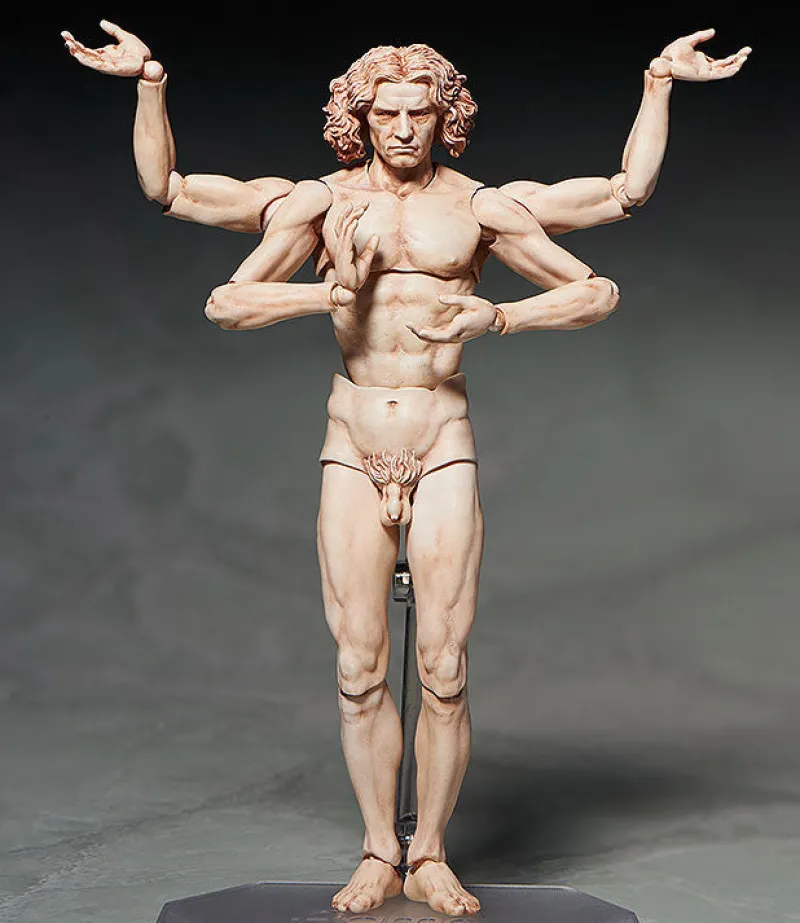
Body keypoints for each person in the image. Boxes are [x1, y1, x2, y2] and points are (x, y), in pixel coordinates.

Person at [62, 22, 750, 917]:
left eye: (418, 113)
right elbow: (185, 219)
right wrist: (151, 82)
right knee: (358, 664)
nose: (400, 129)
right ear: (358, 117)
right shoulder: (318, 204)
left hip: (441, 434)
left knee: (444, 664)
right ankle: (378, 848)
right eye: (385, 112)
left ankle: (429, 853)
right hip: (353, 437)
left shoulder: (479, 208)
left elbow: (615, 224)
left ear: (442, 116)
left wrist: (499, 315)